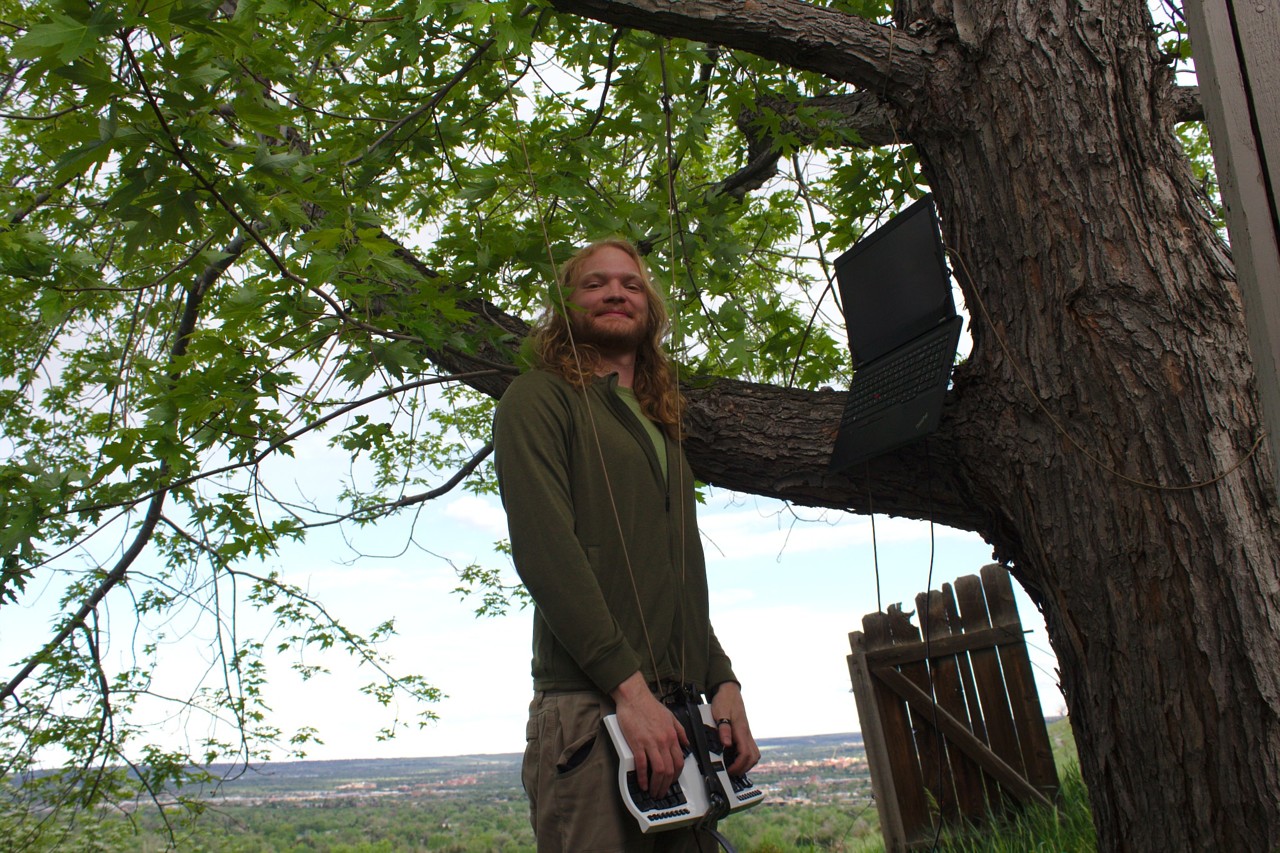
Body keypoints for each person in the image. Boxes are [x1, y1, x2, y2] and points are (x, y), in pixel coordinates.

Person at [493, 238, 760, 851]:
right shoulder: (539, 398)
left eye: (631, 284)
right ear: (565, 306)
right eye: (595, 284)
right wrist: (629, 693)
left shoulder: (657, 422)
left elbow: (678, 575)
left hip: (676, 713)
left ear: (651, 309)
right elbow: (547, 555)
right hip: (595, 710)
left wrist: (722, 681)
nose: (615, 292)